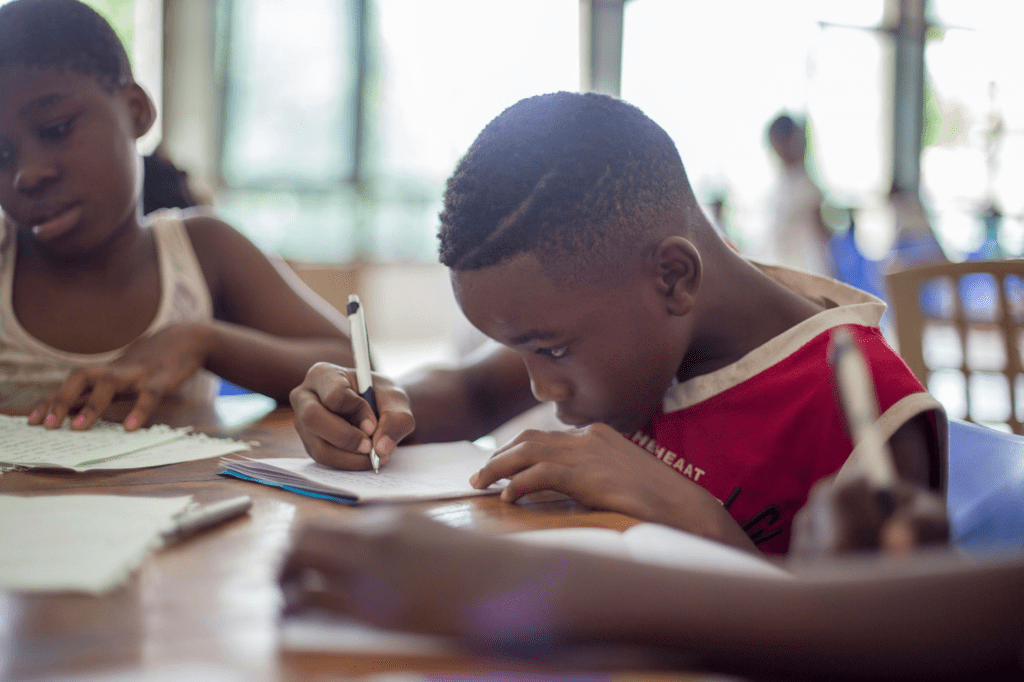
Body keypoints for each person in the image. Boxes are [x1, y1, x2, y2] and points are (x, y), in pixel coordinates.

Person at [290, 91, 947, 556]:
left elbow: (870, 636)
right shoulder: (629, 321)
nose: (541, 388)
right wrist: (380, 405)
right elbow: (474, 392)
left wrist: (702, 523)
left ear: (672, 278)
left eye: (550, 348)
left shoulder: (866, 413)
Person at [0, 0, 353, 430]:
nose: (26, 175)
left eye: (55, 129)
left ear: (136, 111)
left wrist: (204, 341)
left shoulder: (202, 251)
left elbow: (357, 367)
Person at [766, 113, 835, 278]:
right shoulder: (782, 185)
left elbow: (821, 238)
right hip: (785, 271)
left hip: (807, 272)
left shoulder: (806, 186)